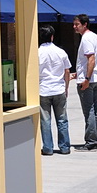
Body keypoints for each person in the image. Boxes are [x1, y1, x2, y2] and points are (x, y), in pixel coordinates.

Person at [71, 14, 97, 152]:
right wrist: (78, 74)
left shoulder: (86, 39)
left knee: (89, 110)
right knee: (96, 109)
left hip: (89, 80)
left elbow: (91, 59)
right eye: (74, 24)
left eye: (77, 24)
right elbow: (87, 62)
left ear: (84, 24)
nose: (74, 27)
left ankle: (91, 142)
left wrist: (86, 79)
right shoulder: (95, 37)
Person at [38, 25, 71, 156]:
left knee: (45, 121)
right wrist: (66, 87)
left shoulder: (37, 53)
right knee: (62, 119)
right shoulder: (61, 52)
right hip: (59, 89)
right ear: (52, 37)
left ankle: (48, 148)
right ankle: (65, 147)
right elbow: (67, 71)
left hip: (43, 90)